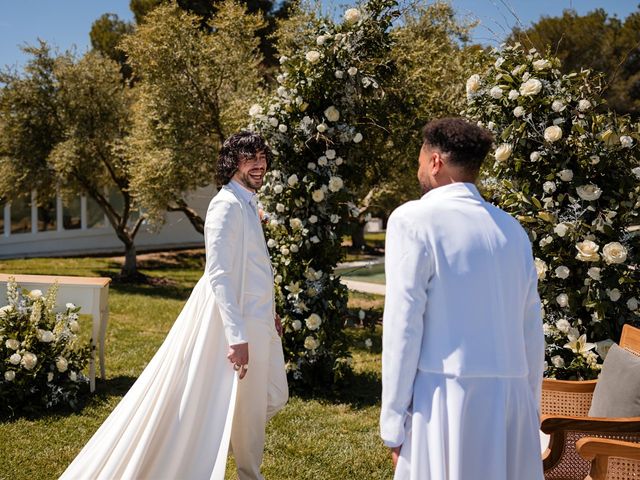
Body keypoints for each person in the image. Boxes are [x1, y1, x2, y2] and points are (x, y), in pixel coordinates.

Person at [60, 131, 288, 480]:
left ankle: (238, 465)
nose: (260, 164)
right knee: (230, 405)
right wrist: (237, 337)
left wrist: (268, 312)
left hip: (257, 319)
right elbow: (220, 275)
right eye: (250, 157)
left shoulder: (246, 203)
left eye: (262, 157)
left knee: (263, 402)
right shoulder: (225, 205)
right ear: (232, 162)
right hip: (235, 325)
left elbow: (251, 268)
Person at [380, 117, 544, 480]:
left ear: (435, 162)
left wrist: (392, 421)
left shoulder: (412, 219)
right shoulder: (512, 230)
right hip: (511, 401)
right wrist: (529, 405)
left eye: (421, 160)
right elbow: (532, 326)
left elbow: (402, 326)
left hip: (445, 402)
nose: (419, 168)